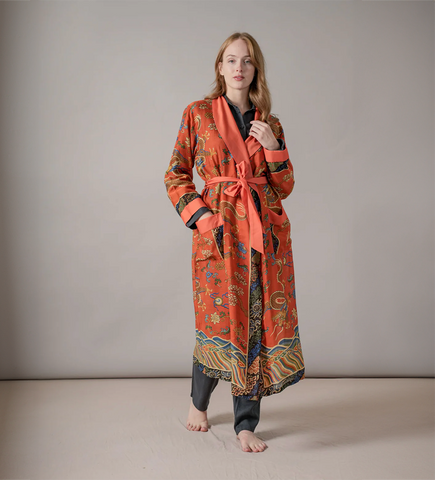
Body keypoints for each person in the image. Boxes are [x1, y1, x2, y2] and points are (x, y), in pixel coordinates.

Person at [164, 32, 305, 453]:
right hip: (221, 232)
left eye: (246, 60)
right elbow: (175, 174)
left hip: (262, 237)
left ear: (255, 68)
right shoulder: (198, 113)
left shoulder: (270, 124)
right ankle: (199, 404)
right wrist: (203, 218)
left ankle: (246, 424)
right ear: (220, 68)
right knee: (217, 322)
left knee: (256, 325)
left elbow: (284, 187)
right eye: (231, 60)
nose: (239, 67)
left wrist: (274, 148)